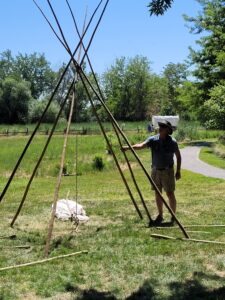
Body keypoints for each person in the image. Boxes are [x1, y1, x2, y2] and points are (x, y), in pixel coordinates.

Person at [122, 120, 181, 226]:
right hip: (155, 170)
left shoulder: (172, 142)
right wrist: (127, 148)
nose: (160, 128)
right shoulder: (153, 139)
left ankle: (173, 216)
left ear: (168, 130)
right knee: (158, 193)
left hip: (168, 171)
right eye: (160, 126)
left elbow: (178, 156)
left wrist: (178, 171)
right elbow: (141, 146)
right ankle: (160, 216)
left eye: (163, 126)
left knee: (170, 193)